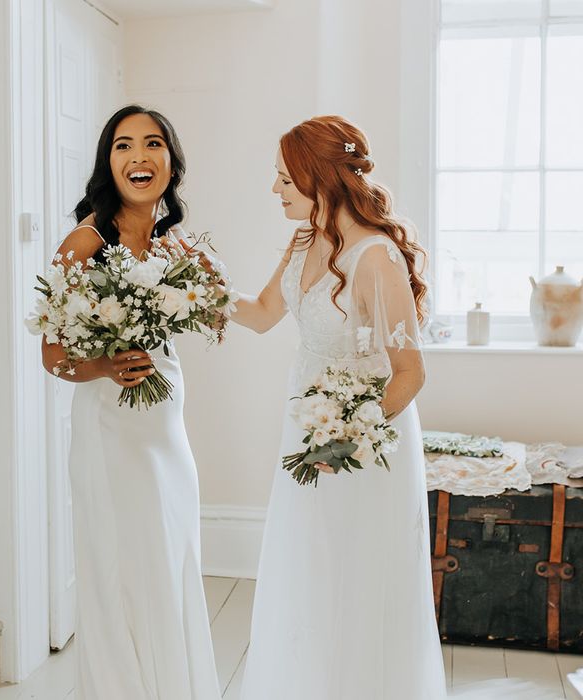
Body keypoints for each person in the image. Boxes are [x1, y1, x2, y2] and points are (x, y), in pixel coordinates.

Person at [231, 115, 553, 700]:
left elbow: (410, 373)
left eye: (283, 178)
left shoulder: (375, 258)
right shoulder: (305, 239)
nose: (274, 189)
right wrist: (189, 287)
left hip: (360, 444)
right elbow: (258, 314)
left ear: (319, 176)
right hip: (305, 431)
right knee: (309, 569)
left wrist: (346, 439)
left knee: (356, 574)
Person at [41, 104, 221, 700]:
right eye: (123, 145)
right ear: (107, 161)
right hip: (112, 435)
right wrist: (105, 365)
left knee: (170, 561)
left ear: (172, 161)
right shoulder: (84, 242)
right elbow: (53, 357)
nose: (138, 157)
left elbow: (220, 308)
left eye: (152, 144)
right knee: (122, 571)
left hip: (166, 433)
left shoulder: (174, 245)